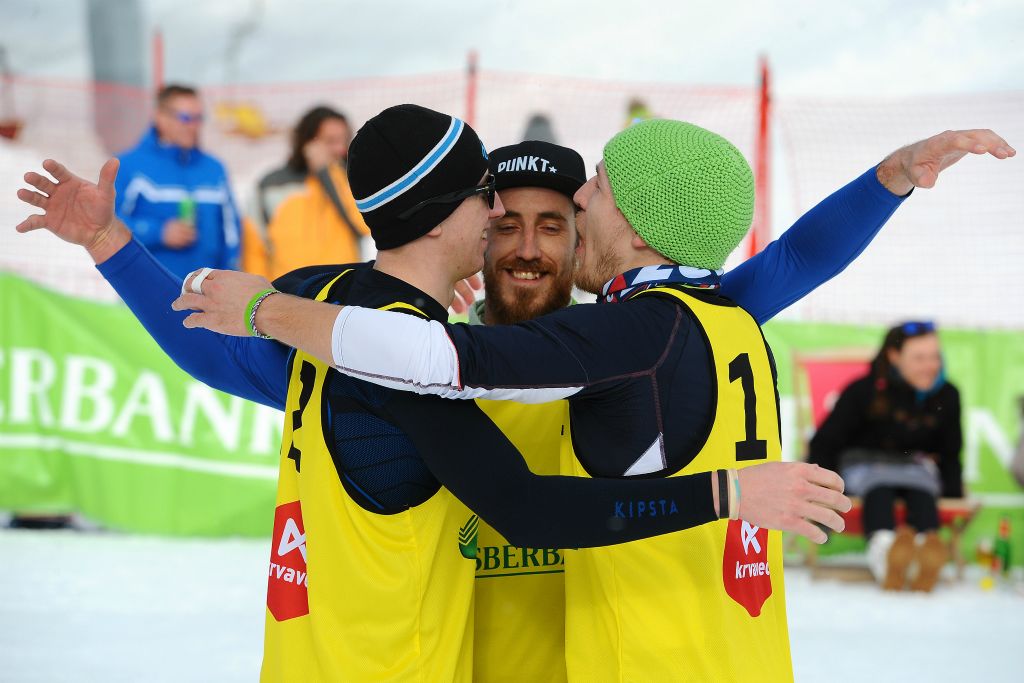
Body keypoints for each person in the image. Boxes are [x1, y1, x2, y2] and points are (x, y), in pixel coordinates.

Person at [15, 105, 851, 682]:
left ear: (596, 235)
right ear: (468, 224)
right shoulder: (389, 343)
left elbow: (762, 277)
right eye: (502, 215)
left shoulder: (616, 354)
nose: (521, 241)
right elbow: (224, 354)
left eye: (554, 221)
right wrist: (115, 245)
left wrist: (892, 179)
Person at [179, 122, 1014, 681]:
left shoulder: (618, 341)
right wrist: (889, 181)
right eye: (506, 219)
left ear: (632, 228)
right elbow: (795, 260)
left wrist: (268, 308)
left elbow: (431, 360)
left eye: (586, 200)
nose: (568, 214)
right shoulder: (711, 316)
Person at [809, 321, 964, 592]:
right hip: (865, 467)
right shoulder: (863, 391)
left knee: (922, 489)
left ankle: (925, 548)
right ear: (894, 356)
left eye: (934, 356)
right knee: (879, 488)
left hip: (914, 469)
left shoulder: (947, 394)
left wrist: (953, 492)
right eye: (919, 358)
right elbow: (825, 442)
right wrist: (824, 489)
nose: (930, 365)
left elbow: (950, 451)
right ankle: (886, 553)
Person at [114, 84, 240, 279]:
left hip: (208, 294)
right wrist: (158, 232)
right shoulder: (129, 165)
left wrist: (231, 277)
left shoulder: (214, 168)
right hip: (148, 287)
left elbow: (231, 232)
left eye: (199, 118)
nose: (193, 126)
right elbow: (109, 224)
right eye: (185, 118)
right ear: (160, 117)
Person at [240, 105, 370, 278]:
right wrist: (259, 296)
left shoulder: (350, 180)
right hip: (287, 295)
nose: (340, 149)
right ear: (307, 142)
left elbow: (363, 226)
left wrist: (328, 174)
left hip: (341, 293)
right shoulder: (271, 183)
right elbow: (255, 249)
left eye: (344, 140)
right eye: (331, 141)